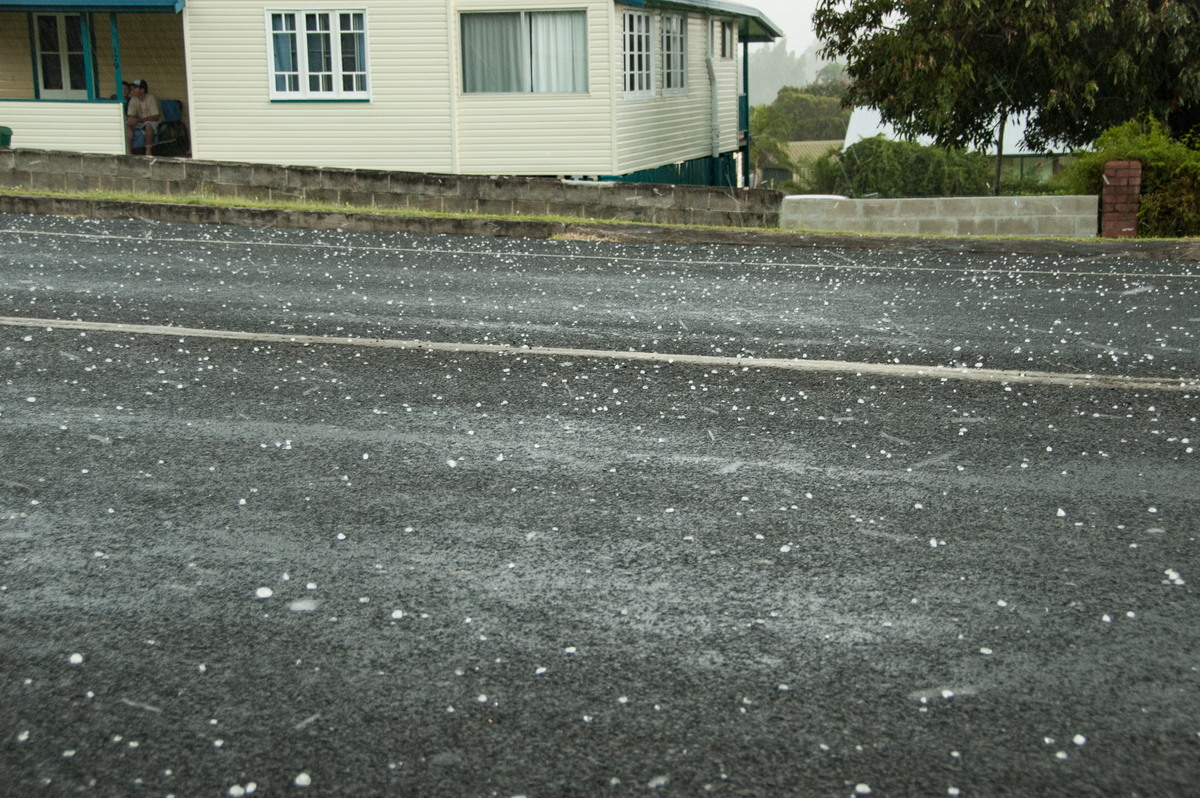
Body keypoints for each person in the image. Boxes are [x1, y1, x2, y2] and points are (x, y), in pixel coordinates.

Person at [126, 79, 161, 156]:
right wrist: (131, 119)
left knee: (148, 126)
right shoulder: (133, 99)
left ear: (142, 90)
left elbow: (156, 117)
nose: (132, 90)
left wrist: (139, 120)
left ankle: (148, 151)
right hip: (139, 122)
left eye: (135, 88)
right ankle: (129, 151)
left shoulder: (151, 98)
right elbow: (130, 114)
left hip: (151, 121)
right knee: (127, 125)